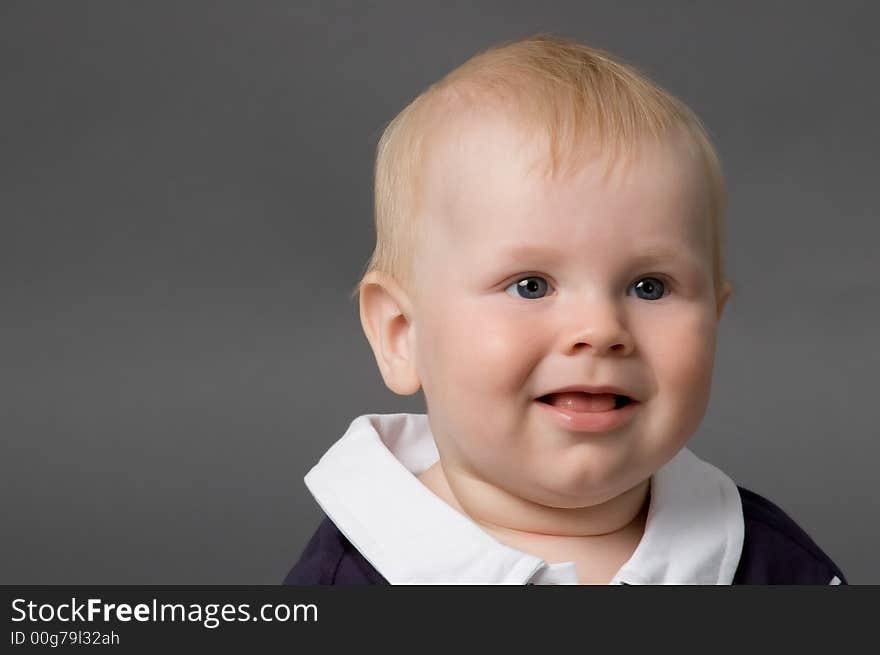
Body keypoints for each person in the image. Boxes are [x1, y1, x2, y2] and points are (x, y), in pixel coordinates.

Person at [284, 34, 847, 584]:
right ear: (402, 334)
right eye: (531, 285)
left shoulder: (768, 564)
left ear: (714, 321)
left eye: (649, 287)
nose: (600, 331)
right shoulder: (357, 574)